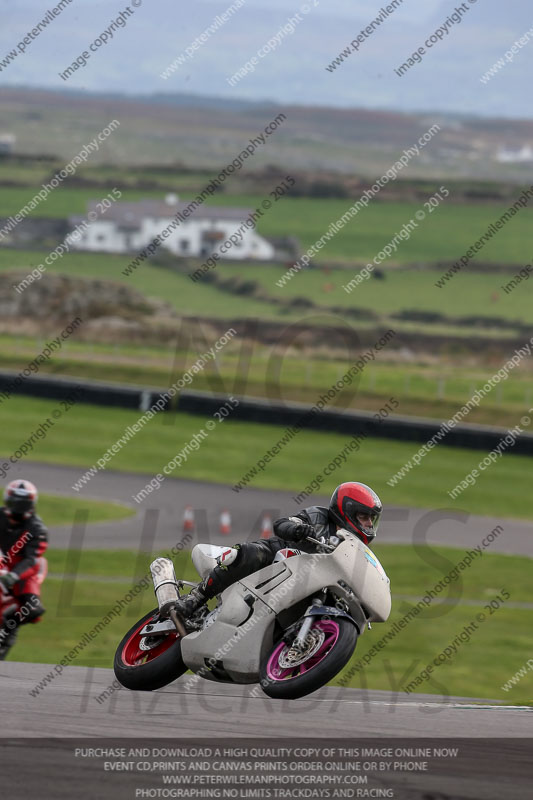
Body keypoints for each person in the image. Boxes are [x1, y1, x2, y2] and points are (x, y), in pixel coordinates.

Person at [173, 481, 382, 619]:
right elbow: (282, 523)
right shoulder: (319, 516)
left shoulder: (356, 548)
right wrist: (298, 528)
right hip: (279, 556)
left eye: (371, 519)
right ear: (348, 511)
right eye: (364, 517)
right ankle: (196, 598)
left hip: (311, 584)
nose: (368, 524)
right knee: (250, 554)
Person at [0, 480, 48, 660]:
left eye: (22, 504)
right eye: (13, 503)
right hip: (1, 562)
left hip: (25, 571)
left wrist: (13, 575)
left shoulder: (37, 528)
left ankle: (8, 628)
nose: (16, 509)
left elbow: (31, 558)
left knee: (33, 609)